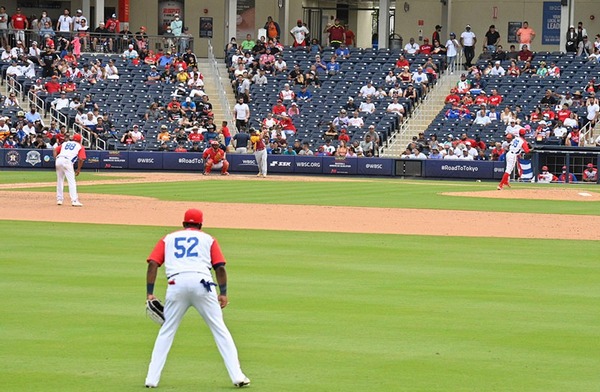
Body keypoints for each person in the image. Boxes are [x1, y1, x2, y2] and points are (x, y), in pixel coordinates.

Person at [144, 208, 250, 389]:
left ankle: (151, 379)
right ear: (200, 225)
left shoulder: (168, 238)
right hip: (203, 284)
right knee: (219, 329)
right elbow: (220, 268)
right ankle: (237, 376)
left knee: (166, 331)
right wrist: (223, 292)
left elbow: (153, 263)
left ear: (183, 223)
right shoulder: (208, 239)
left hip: (175, 284)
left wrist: (150, 293)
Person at [54, 133, 85, 206]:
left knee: (60, 180)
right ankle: (74, 200)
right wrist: (78, 169)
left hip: (59, 159)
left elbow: (55, 150)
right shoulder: (80, 146)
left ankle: (59, 199)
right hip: (67, 161)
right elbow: (81, 159)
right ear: (80, 140)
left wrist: (56, 159)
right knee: (71, 181)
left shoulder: (65, 143)